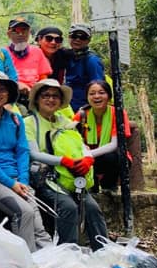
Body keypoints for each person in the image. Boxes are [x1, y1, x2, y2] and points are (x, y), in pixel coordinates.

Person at [0, 71, 51, 252]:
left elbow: (22, 152)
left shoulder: (15, 119)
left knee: (38, 225)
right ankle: (28, 264)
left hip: (16, 179)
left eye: (1, 90)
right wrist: (12, 184)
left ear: (8, 93)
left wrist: (23, 182)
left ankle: (54, 262)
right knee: (24, 212)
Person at [25, 79, 108, 251]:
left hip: (70, 177)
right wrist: (63, 161)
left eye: (55, 96)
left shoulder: (65, 122)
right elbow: (33, 153)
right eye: (46, 95)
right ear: (37, 99)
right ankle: (68, 254)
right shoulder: (29, 123)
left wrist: (87, 159)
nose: (50, 99)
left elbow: (80, 146)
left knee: (91, 208)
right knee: (68, 207)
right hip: (44, 178)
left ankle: (104, 252)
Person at [74, 79, 131, 193]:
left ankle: (109, 185)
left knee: (113, 156)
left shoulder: (118, 113)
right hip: (89, 158)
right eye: (92, 93)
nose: (96, 96)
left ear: (109, 96)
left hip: (109, 157)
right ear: (87, 97)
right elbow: (73, 138)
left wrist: (88, 154)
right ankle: (91, 186)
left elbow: (114, 145)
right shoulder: (82, 114)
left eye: (101, 92)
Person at [6, 16, 51, 108]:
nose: (20, 34)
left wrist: (37, 91)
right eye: (16, 31)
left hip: (34, 95)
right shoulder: (2, 53)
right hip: (10, 95)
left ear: (29, 33)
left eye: (24, 30)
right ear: (9, 34)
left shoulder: (37, 51)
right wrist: (16, 84)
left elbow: (43, 77)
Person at [65, 24, 105, 111]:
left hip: (84, 110)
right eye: (74, 36)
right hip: (67, 109)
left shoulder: (92, 61)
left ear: (88, 40)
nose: (77, 39)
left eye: (82, 37)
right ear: (69, 37)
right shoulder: (66, 56)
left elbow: (99, 87)